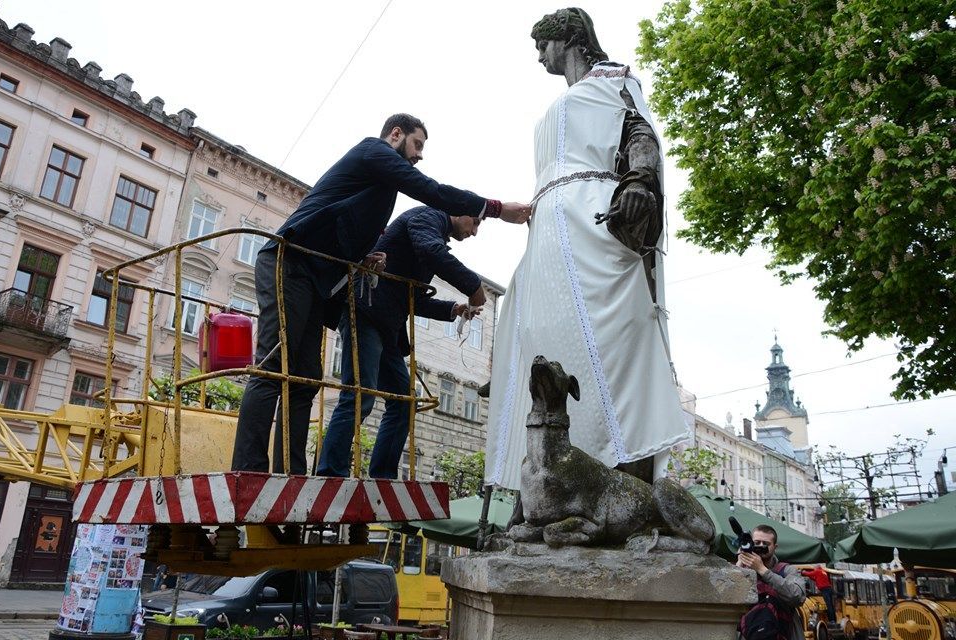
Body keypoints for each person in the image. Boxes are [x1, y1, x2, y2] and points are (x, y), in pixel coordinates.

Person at [231, 114, 531, 475]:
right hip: (289, 260)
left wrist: (362, 257)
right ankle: (249, 470)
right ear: (396, 134)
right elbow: (432, 191)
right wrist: (496, 209)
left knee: (306, 374)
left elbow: (341, 223)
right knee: (275, 366)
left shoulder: (378, 189)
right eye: (417, 144)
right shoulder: (373, 151)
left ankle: (290, 474)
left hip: (317, 276)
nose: (419, 155)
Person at [484, 8, 689, 490]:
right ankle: (546, 477)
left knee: (615, 333)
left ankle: (625, 472)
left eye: (543, 46)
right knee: (542, 337)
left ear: (570, 38)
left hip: (592, 213)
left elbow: (640, 133)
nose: (539, 57)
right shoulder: (562, 101)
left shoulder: (615, 79)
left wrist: (639, 179)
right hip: (549, 228)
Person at [317, 206, 485, 478]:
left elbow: (412, 299)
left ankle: (382, 477)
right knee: (360, 395)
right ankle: (330, 474)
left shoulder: (432, 233)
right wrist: (473, 286)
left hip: (385, 326)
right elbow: (431, 251)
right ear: (456, 210)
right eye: (474, 222)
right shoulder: (428, 219)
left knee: (405, 402)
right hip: (367, 313)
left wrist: (453, 308)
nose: (474, 232)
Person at [737, 524, 807, 640]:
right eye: (757, 542)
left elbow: (797, 597)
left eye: (766, 544)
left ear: (775, 547)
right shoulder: (743, 570)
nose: (761, 546)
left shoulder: (787, 570)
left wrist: (763, 570)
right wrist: (739, 565)